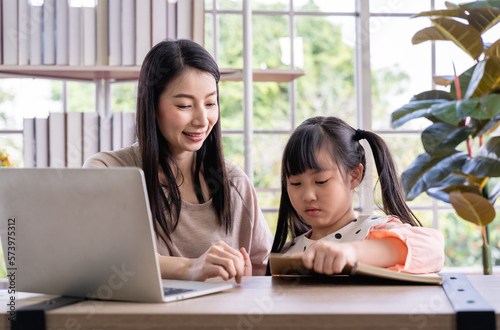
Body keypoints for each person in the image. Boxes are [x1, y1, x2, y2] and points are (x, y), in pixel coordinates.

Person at [84, 39, 273, 283]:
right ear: (151, 105)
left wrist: (248, 283)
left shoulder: (235, 184)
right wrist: (191, 267)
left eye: (210, 103)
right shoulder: (108, 171)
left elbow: (268, 272)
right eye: (184, 105)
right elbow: (96, 259)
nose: (202, 120)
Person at [271, 116, 444, 274]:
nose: (308, 196)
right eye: (295, 183)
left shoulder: (374, 231)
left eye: (321, 181)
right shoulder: (286, 253)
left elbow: (432, 250)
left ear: (354, 176)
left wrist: (352, 252)